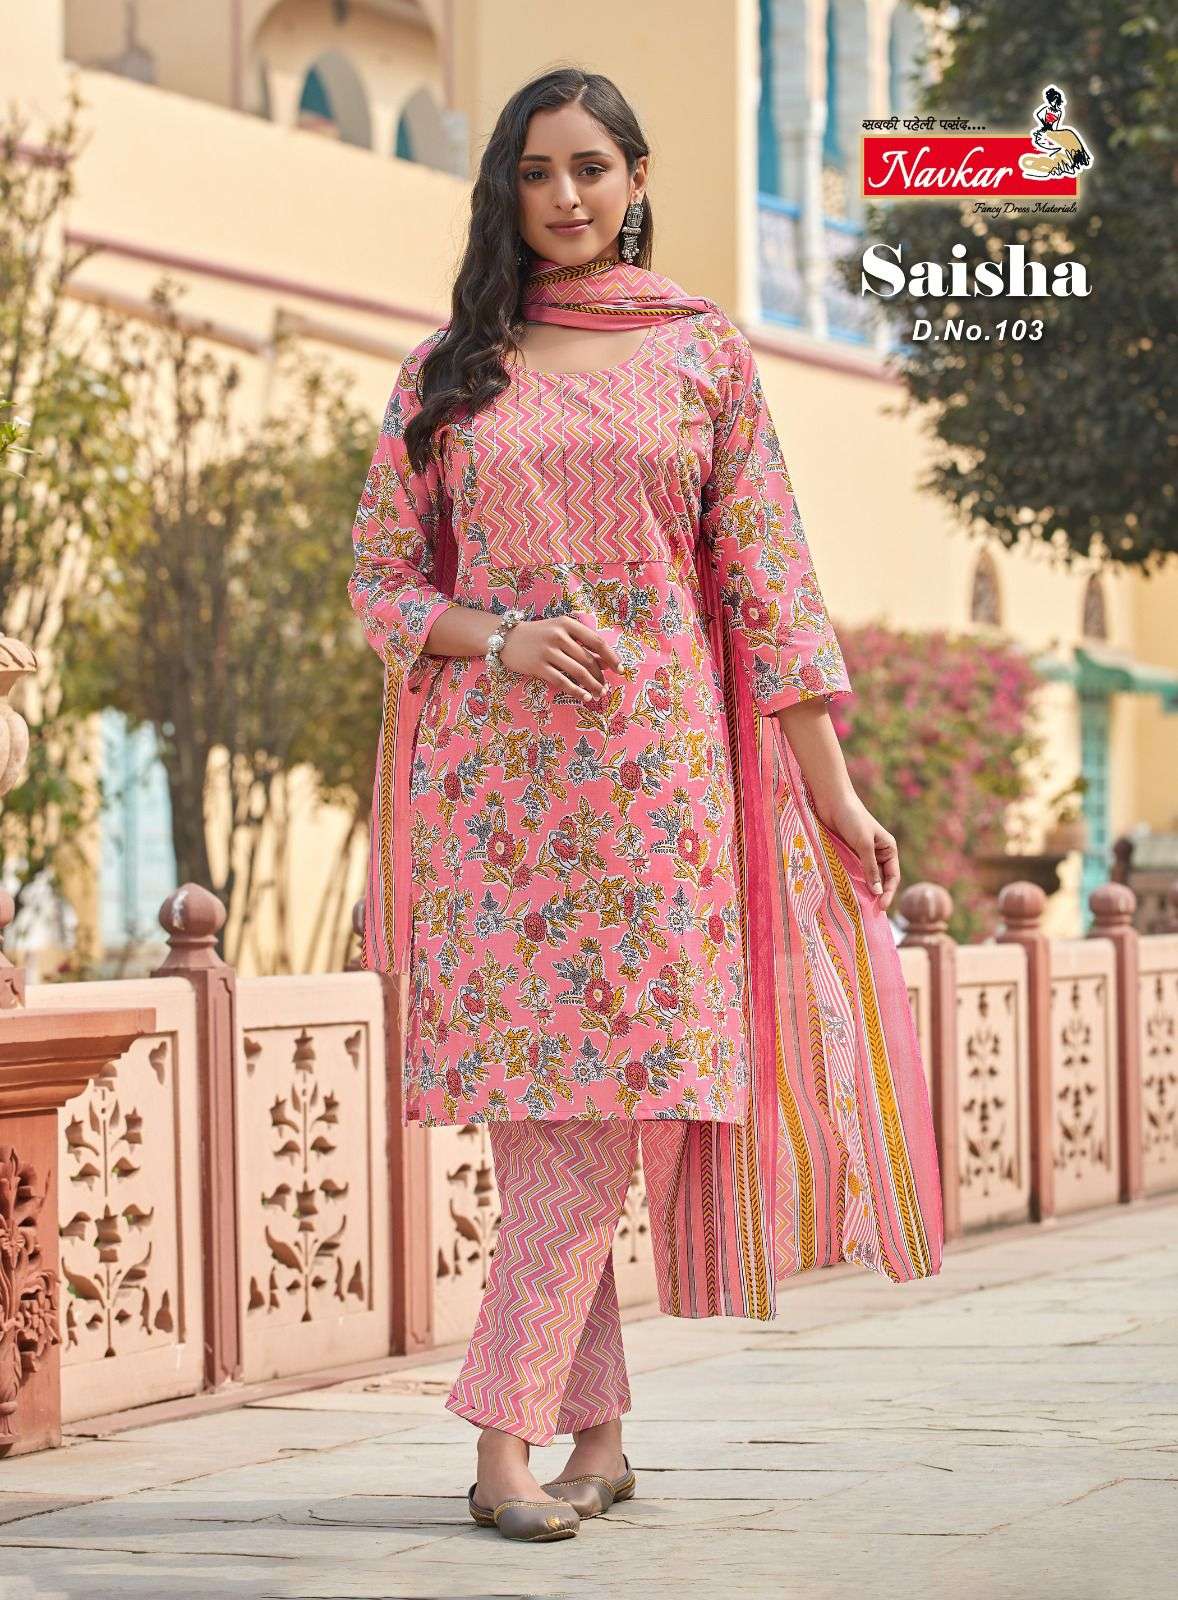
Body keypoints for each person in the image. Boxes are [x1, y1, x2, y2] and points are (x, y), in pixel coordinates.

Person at [348, 66, 944, 1544]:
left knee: (593, 1121)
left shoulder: (700, 353)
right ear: (505, 188)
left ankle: (503, 1441)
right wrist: (500, 638)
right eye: (536, 171)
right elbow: (380, 583)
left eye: (591, 168)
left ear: (635, 180)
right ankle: (591, 1440)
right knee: (551, 1121)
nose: (565, 197)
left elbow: (771, 582)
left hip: (658, 797)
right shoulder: (449, 370)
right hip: (493, 801)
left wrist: (832, 791)